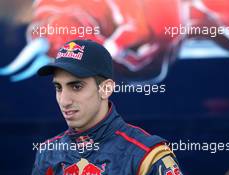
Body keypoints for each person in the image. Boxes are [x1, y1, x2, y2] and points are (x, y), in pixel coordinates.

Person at [32, 39, 182, 175]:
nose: (64, 101)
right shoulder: (47, 153)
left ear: (106, 89)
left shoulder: (147, 155)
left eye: (76, 87)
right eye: (58, 87)